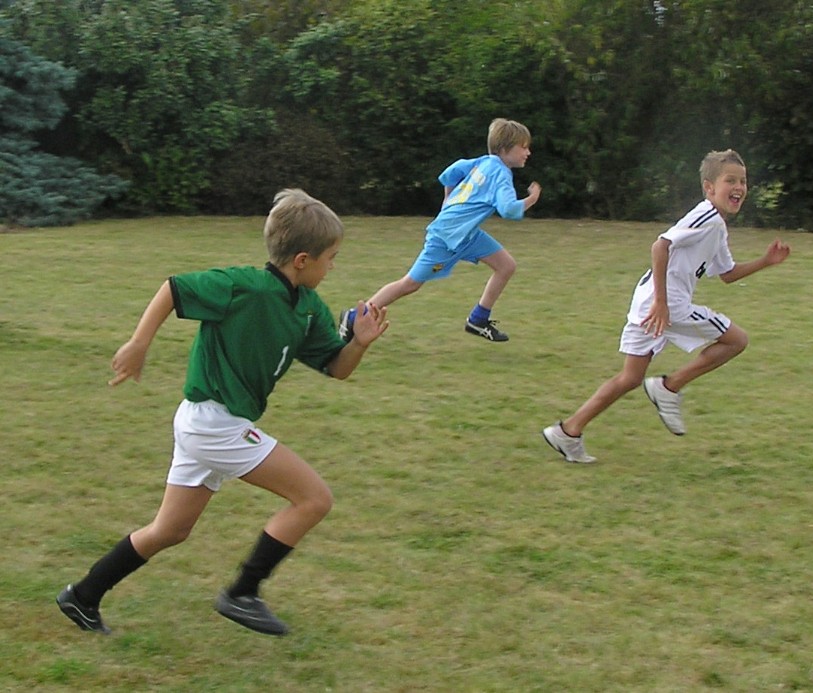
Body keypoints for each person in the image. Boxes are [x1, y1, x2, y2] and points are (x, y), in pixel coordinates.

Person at [56, 189, 389, 636]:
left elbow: (337, 367)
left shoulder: (309, 309)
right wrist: (138, 344)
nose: (334, 267)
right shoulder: (244, 287)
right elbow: (173, 289)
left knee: (170, 530)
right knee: (314, 499)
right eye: (332, 258)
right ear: (302, 260)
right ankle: (243, 593)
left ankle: (82, 596)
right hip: (213, 423)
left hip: (211, 423)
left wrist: (359, 343)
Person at [543, 149, 790, 463]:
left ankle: (568, 431)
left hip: (647, 301)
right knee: (736, 340)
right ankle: (669, 387)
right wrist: (662, 303)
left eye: (743, 181)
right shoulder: (706, 217)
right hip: (666, 303)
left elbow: (727, 274)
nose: (739, 187)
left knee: (630, 378)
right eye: (730, 180)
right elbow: (660, 246)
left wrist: (766, 261)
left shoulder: (717, 225)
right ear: (709, 187)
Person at [339, 117, 541, 343]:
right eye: (523, 147)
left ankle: (478, 319)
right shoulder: (501, 174)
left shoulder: (482, 162)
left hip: (466, 235)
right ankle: (354, 316)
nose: (528, 152)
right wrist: (532, 199)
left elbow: (450, 172)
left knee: (506, 265)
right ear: (504, 149)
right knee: (410, 284)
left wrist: (448, 200)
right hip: (446, 237)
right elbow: (509, 209)